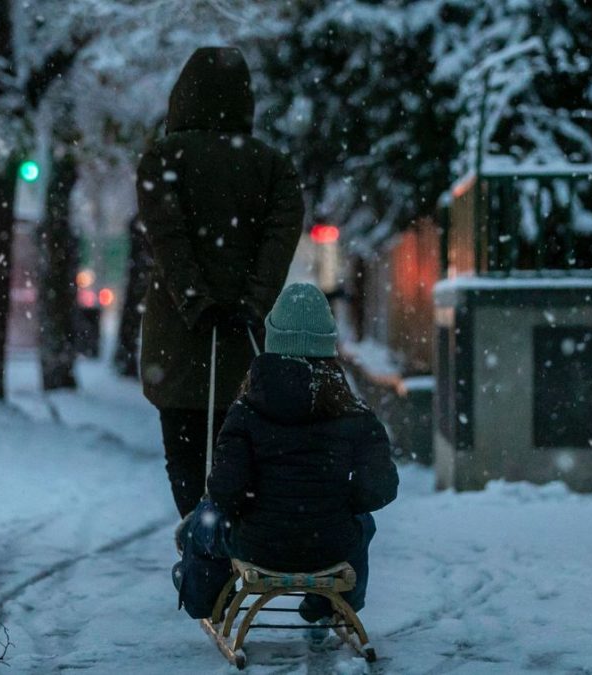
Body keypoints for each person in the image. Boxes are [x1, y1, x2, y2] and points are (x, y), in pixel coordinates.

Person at [137, 47, 304, 518]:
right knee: (243, 453)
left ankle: (198, 547)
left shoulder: (162, 159)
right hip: (246, 342)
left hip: (177, 340)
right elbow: (279, 240)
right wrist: (253, 302)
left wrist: (195, 301)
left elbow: (167, 238)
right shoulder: (273, 167)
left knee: (185, 455)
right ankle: (235, 550)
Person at [174, 283, 400, 623]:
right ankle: (335, 603)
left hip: (257, 544)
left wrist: (254, 504)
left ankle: (202, 599)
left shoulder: (246, 412)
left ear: (273, 341)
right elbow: (380, 487)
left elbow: (224, 492)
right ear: (328, 346)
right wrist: (337, 502)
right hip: (331, 545)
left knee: (204, 519)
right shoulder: (354, 414)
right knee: (362, 524)